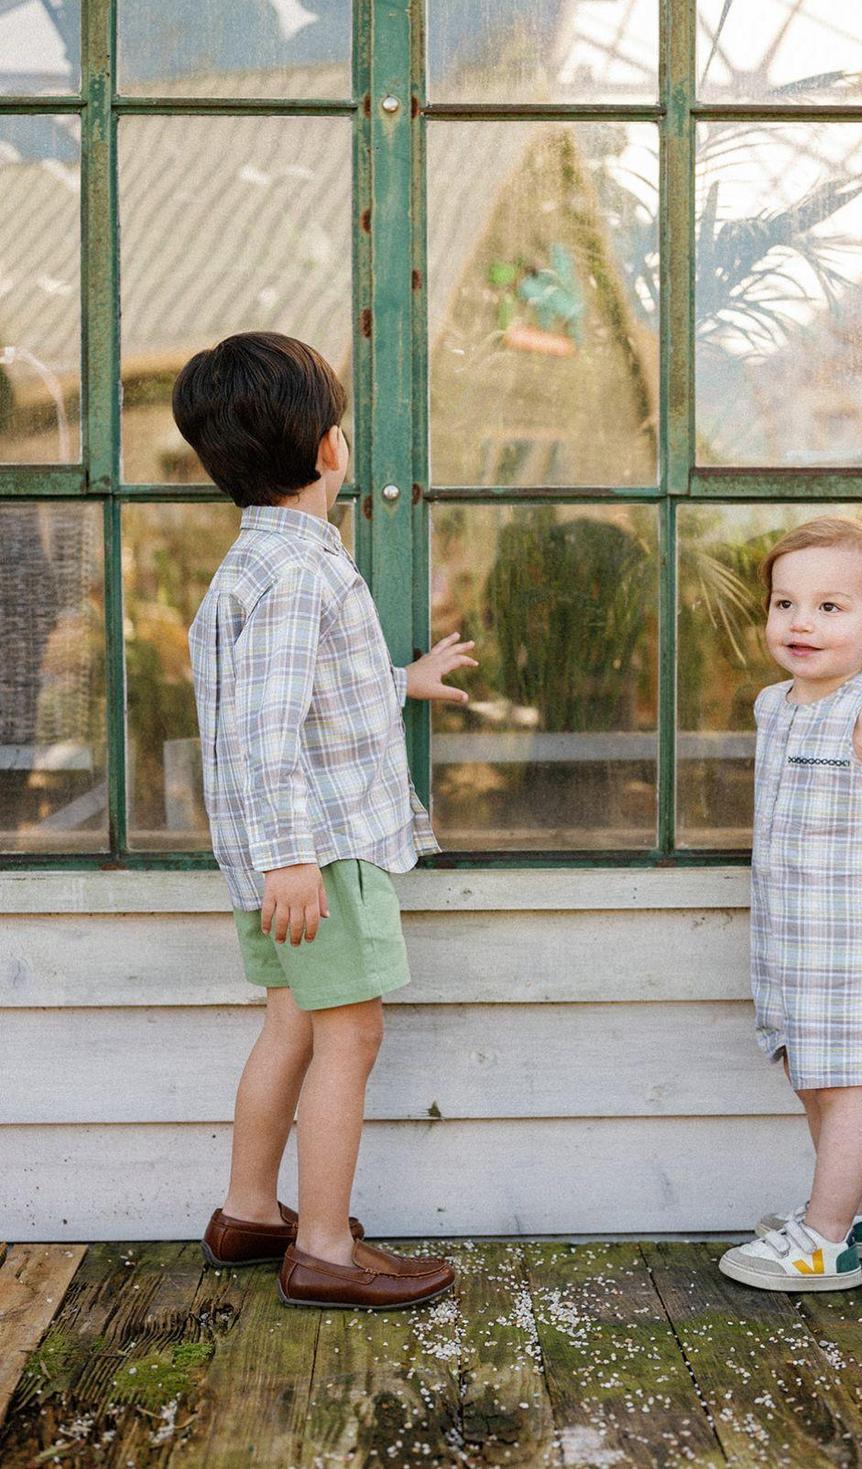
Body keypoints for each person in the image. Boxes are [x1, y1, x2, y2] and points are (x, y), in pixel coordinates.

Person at [175, 331, 477, 1310]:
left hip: (278, 860)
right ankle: (322, 1248)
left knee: (290, 1027)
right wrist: (294, 858)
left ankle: (249, 1209)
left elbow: (304, 699)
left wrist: (400, 680)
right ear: (333, 449)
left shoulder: (255, 566)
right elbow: (266, 735)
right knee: (349, 1037)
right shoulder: (303, 572)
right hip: (318, 854)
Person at [719, 517, 862, 1293]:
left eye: (830, 607)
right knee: (811, 1076)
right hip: (794, 933)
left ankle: (825, 1242)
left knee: (843, 1085)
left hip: (857, 936)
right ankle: (857, 1211)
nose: (800, 623)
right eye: (785, 604)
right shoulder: (774, 704)